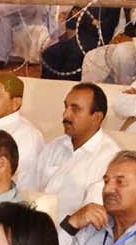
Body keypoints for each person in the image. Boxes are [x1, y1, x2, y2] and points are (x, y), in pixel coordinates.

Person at [30, 82, 123, 213]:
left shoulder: (110, 158)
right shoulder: (54, 146)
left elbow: (92, 216)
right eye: (66, 107)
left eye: (75, 109)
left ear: (96, 117)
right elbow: (30, 190)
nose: (65, 115)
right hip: (37, 226)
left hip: (74, 231)